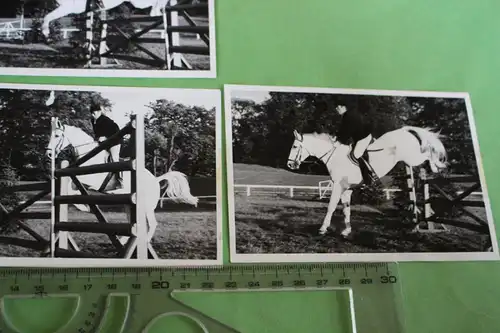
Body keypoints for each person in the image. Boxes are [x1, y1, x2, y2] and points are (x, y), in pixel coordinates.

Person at [335, 104, 378, 186]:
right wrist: (337, 137)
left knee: (356, 154)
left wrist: (339, 141)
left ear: (344, 107)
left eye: (338, 107)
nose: (336, 109)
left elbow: (348, 131)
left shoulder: (348, 116)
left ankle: (370, 177)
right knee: (349, 153)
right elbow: (343, 131)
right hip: (359, 138)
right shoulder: (347, 115)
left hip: (363, 137)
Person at [90, 101, 123, 189]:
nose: (93, 115)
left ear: (99, 112)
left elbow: (116, 130)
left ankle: (119, 181)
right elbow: (97, 133)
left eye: (94, 113)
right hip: (104, 143)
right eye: (92, 113)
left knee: (114, 159)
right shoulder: (93, 120)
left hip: (115, 142)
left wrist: (106, 137)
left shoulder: (106, 120)